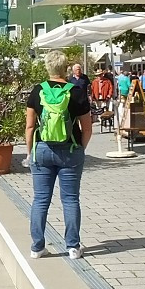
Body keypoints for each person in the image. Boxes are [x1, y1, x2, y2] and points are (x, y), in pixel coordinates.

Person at [25, 50, 92, 260]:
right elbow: (87, 128)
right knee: (70, 199)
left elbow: (29, 127)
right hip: (70, 150)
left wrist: (30, 153)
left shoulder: (38, 91)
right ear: (66, 68)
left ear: (47, 67)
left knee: (40, 200)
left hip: (42, 149)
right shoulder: (77, 91)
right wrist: (80, 148)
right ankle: (73, 246)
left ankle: (37, 247)